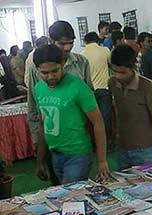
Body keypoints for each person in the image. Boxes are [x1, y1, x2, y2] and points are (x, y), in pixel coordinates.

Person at [27, 20, 93, 185]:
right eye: (62, 43)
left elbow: (91, 101)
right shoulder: (37, 67)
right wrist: (38, 140)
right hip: (51, 140)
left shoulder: (81, 62)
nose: (67, 48)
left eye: (71, 43)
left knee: (76, 188)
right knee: (58, 188)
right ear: (51, 40)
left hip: (77, 139)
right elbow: (34, 106)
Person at [33, 44, 108, 184]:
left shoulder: (78, 87)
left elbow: (98, 122)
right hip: (55, 154)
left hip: (78, 155)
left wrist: (102, 160)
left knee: (70, 199)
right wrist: (40, 160)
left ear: (62, 64)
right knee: (67, 198)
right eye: (44, 73)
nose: (50, 77)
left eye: (54, 71)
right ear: (37, 69)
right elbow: (43, 124)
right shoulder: (38, 89)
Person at [109, 45, 152, 169]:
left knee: (149, 184)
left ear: (133, 67)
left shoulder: (147, 86)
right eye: (115, 71)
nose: (118, 76)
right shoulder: (112, 83)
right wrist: (114, 136)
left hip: (144, 149)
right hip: (122, 147)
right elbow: (115, 111)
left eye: (122, 72)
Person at [81, 32, 112, 142]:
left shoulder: (82, 55)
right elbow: (112, 64)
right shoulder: (105, 50)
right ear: (98, 40)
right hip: (104, 89)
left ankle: (94, 143)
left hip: (89, 91)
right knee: (105, 118)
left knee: (92, 119)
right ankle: (106, 142)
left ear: (85, 42)